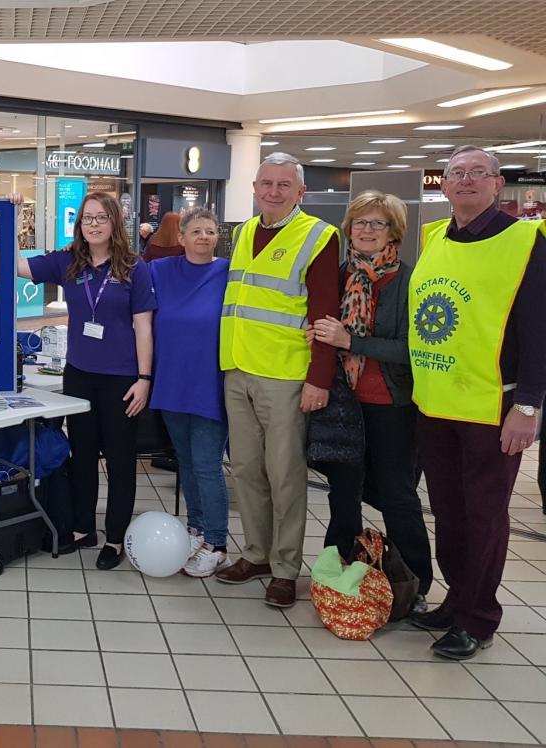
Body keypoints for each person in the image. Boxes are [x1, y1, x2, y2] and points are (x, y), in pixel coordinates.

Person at [407, 145, 546, 659]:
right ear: (443, 185)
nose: (465, 181)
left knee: (485, 515)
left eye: (476, 173)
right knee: (448, 510)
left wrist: (529, 406)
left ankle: (480, 617)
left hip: (495, 406)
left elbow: (539, 331)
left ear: (496, 184)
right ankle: (456, 600)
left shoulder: (526, 241)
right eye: (455, 173)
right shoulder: (435, 236)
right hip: (437, 403)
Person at [215, 152, 339, 608]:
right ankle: (256, 553)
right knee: (246, 469)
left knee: (285, 476)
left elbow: (325, 313)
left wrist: (318, 379)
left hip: (286, 375)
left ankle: (286, 568)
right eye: (265, 183)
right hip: (238, 368)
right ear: (253, 187)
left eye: (283, 185)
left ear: (300, 192)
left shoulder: (319, 237)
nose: (272, 191)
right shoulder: (244, 231)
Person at [16, 192, 156, 570]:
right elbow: (18, 267)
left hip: (121, 378)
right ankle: (82, 528)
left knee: (119, 460)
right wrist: (13, 215)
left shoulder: (133, 267)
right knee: (82, 455)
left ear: (115, 223)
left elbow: (144, 328)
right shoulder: (69, 263)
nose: (93, 225)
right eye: (86, 219)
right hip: (78, 373)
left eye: (100, 218)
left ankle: (114, 538)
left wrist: (144, 378)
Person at [308, 191, 432, 608]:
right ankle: (338, 575)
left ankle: (415, 583)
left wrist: (351, 340)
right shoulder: (341, 275)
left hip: (390, 404)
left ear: (393, 231)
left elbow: (411, 349)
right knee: (343, 493)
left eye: (377, 223)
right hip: (342, 402)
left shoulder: (409, 280)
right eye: (359, 223)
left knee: (397, 495)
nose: (366, 231)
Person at [148, 208, 231, 577]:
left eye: (210, 232)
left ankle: (217, 542)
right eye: (195, 231)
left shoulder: (229, 273)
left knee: (207, 464)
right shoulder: (161, 271)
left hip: (209, 383)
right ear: (180, 237)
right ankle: (197, 529)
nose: (203, 237)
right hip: (172, 381)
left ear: (217, 237)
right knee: (186, 461)